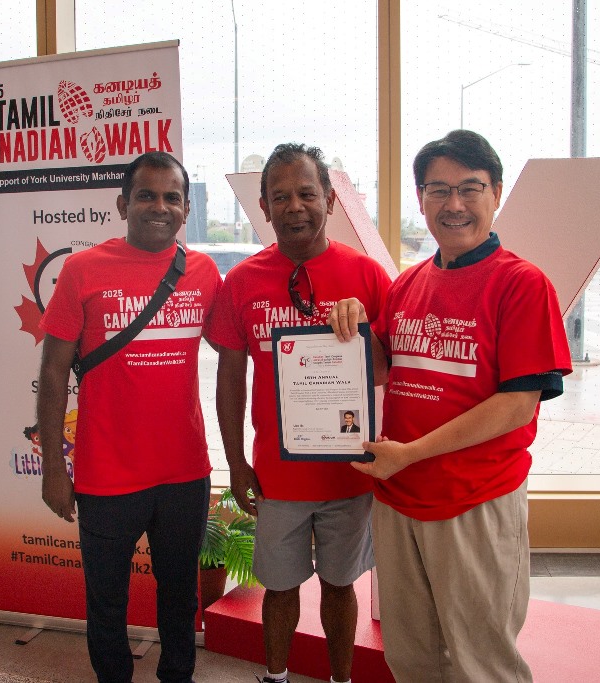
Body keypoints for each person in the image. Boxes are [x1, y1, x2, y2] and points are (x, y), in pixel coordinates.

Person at [330, 130, 573, 682]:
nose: (454, 204)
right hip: (398, 499)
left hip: (473, 499)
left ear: (496, 194)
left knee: (481, 662)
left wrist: (411, 453)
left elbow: (516, 406)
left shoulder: (522, 284)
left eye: (470, 188)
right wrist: (354, 327)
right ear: (421, 199)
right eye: (438, 190)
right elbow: (385, 368)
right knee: (410, 656)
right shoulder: (409, 284)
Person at [206, 143, 391, 683]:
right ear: (264, 206)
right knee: (279, 587)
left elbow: (386, 372)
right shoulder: (243, 281)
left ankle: (341, 678)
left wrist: (364, 332)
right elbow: (229, 378)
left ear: (329, 200)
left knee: (340, 585)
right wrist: (236, 462)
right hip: (277, 476)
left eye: (307, 194)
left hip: (347, 473)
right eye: (280, 196)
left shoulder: (368, 276)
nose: (295, 207)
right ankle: (277, 676)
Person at [36, 151, 222, 683]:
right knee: (107, 601)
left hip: (183, 472)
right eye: (146, 195)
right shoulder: (82, 270)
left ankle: (177, 676)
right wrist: (54, 469)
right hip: (106, 475)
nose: (159, 207)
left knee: (180, 595)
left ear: (186, 209)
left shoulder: (204, 272)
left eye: (172, 197)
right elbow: (53, 373)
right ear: (123, 204)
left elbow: (239, 344)